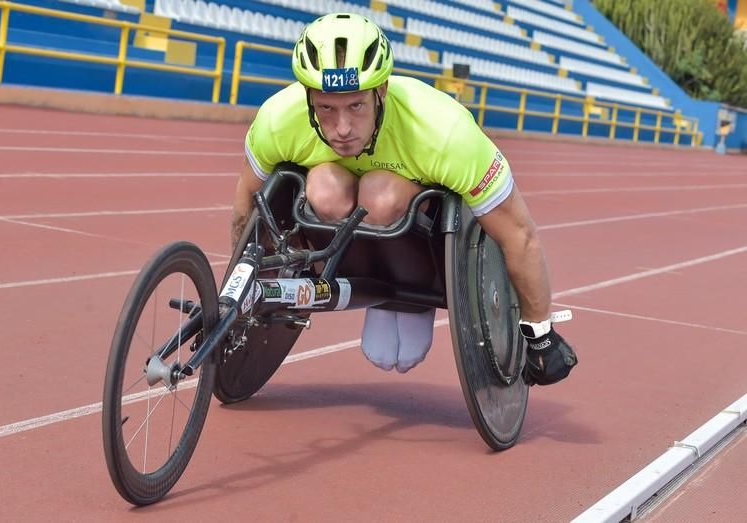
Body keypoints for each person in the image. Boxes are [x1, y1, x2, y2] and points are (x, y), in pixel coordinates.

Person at [230, 13, 577, 386]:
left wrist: (539, 333)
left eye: (356, 106)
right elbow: (245, 212)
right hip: (343, 244)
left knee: (379, 193)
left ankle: (409, 299)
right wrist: (237, 291)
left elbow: (518, 232)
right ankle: (369, 284)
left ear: (381, 92)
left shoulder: (444, 131)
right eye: (326, 108)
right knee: (322, 188)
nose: (342, 128)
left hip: (421, 249)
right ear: (308, 97)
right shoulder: (279, 119)